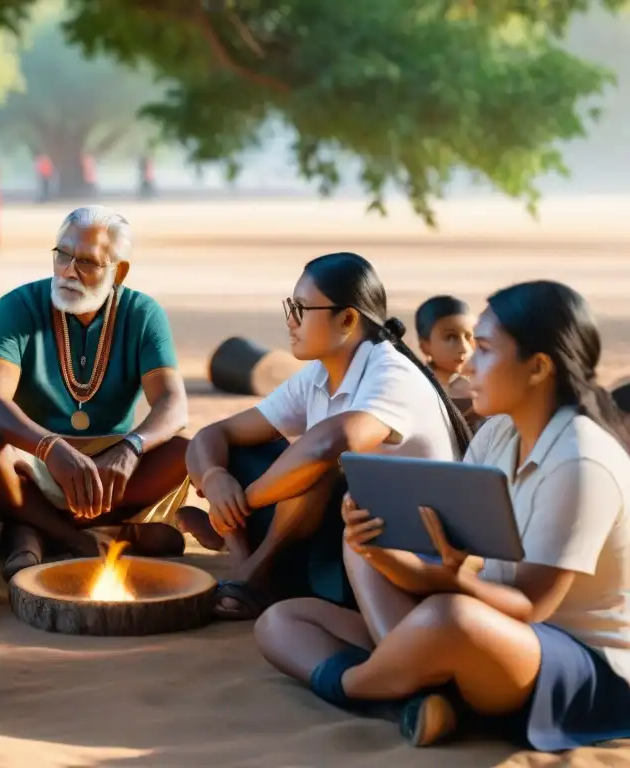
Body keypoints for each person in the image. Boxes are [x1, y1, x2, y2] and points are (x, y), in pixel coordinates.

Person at [255, 281, 630, 750]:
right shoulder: (498, 434)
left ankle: (363, 688)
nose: (467, 364)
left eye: (486, 350)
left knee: (450, 618)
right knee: (283, 622)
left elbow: (531, 606)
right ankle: (418, 696)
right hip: (486, 629)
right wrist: (379, 553)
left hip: (575, 667)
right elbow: (452, 564)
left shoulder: (582, 460)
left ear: (538, 367)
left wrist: (457, 582)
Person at [179, 253, 471, 620]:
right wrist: (216, 479)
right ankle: (246, 565)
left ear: (347, 318)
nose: (290, 321)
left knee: (322, 465)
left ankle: (253, 571)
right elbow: (212, 435)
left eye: (300, 308)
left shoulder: (391, 372)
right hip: (336, 532)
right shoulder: (318, 374)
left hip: (391, 558)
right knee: (232, 453)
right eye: (290, 307)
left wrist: (244, 501)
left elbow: (335, 442)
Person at [0, 205, 191, 581]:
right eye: (63, 255)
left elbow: (173, 403)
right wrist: (51, 448)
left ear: (118, 271)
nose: (69, 271)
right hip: (35, 461)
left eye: (87, 262)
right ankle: (86, 538)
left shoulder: (142, 313)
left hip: (111, 470)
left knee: (185, 450)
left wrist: (130, 448)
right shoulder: (17, 306)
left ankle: (30, 531)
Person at [414, 295, 474, 397]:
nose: (464, 348)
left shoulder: (474, 389)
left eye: (468, 336)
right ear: (425, 346)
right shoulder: (414, 387)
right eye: (451, 337)